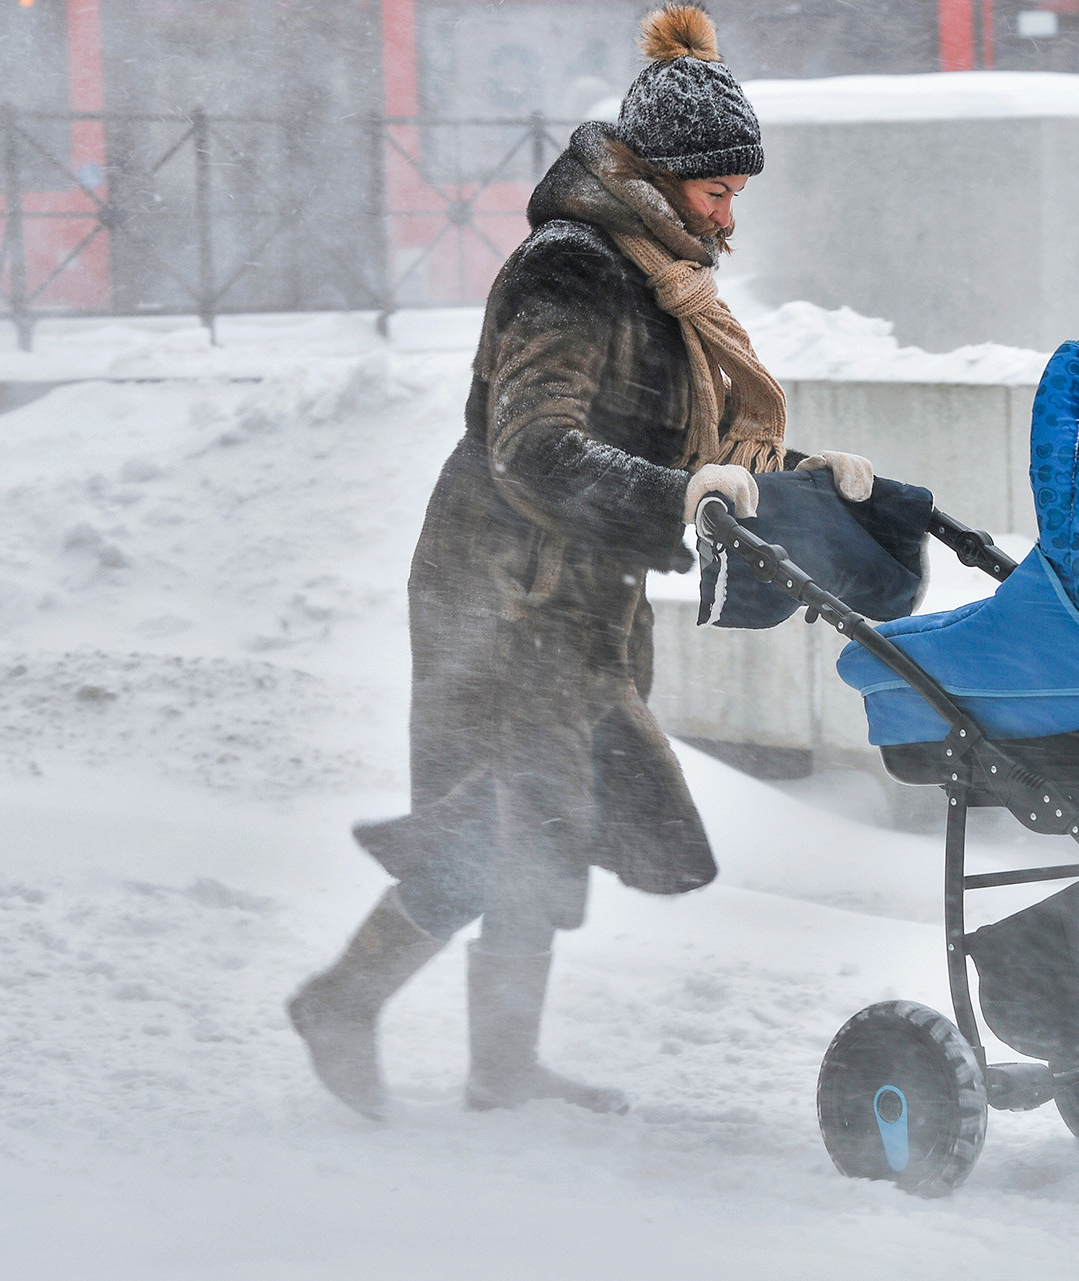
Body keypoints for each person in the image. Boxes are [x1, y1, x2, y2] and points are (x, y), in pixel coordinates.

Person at [287, 4, 873, 1120]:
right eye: (718, 187)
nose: (730, 209)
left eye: (738, 191)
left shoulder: (653, 274)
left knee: (551, 819)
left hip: (576, 593)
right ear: (656, 173)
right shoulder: (574, 269)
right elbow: (535, 445)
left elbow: (676, 445)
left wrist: (798, 476)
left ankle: (501, 1065)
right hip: (505, 585)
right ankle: (343, 1003)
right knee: (501, 818)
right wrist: (680, 495)